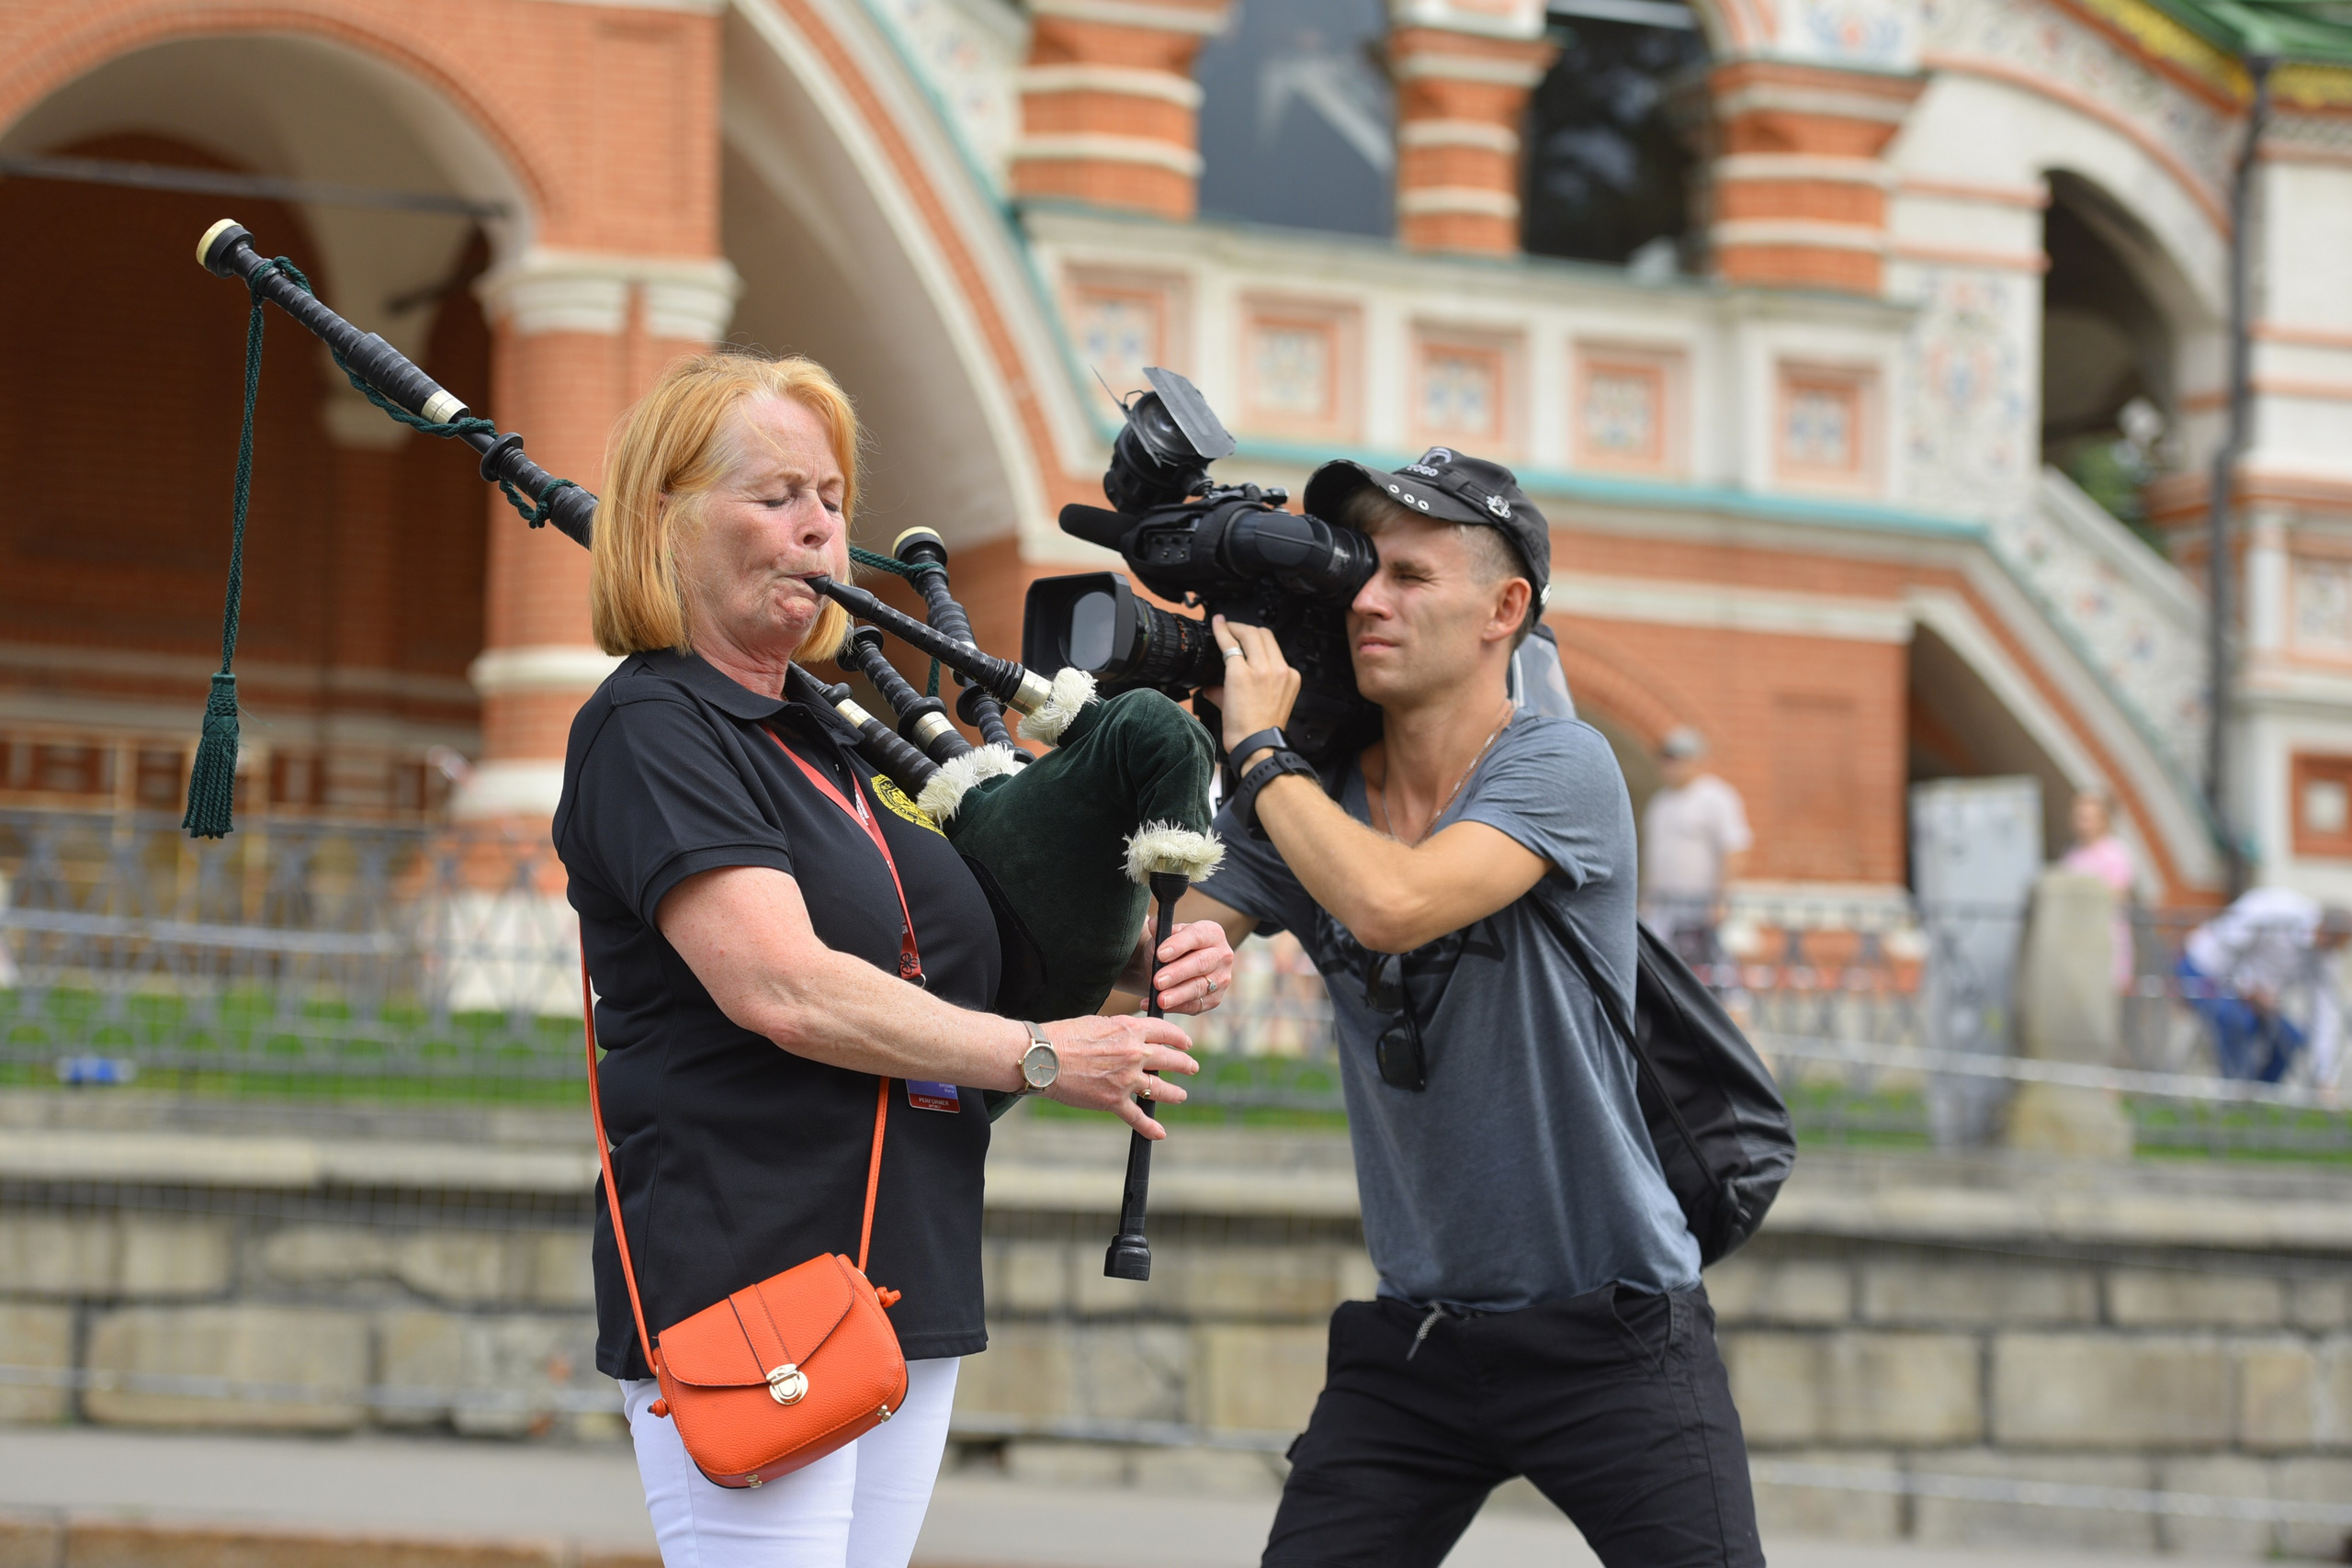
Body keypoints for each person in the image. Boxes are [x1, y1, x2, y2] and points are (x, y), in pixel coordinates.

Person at [554, 351, 1236, 1568]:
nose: (820, 524)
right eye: (776, 496)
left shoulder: (822, 735)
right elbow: (782, 982)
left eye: (832, 495)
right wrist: (1038, 1055)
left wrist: (1142, 972)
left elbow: (964, 951)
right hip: (751, 1270)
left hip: (902, 1263)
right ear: (667, 519)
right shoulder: (653, 723)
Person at [1179, 446, 1761, 1568]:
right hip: (1419, 1341)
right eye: (1362, 572)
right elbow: (1135, 968)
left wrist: (1256, 747)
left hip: (1617, 1329)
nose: (1365, 599)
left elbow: (1394, 903)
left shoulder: (1561, 766)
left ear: (1504, 609)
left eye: (1408, 576)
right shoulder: (1309, 797)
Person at [2178, 886, 2350, 1087]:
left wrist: (2326, 1076)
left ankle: (2257, 1100)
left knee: (2289, 1039)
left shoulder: (2326, 955)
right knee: (2237, 1021)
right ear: (2324, 930)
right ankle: (2233, 1094)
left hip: (2253, 996)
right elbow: (2224, 947)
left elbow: (2325, 1013)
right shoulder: (2277, 912)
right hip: (2204, 971)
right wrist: (2248, 987)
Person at [1638, 727, 1751, 973]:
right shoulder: (1660, 803)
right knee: (1662, 974)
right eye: (1667, 758)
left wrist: (1720, 899)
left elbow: (1735, 849)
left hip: (1701, 908)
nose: (1671, 765)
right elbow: (1653, 857)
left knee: (1716, 977)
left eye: (1677, 758)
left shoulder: (1716, 797)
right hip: (1663, 908)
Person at [2057, 786, 2136, 995]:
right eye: (2079, 816)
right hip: (2077, 944)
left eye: (2088, 817)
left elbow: (2118, 897)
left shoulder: (2115, 853)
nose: (2082, 823)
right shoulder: (2072, 853)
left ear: (2103, 819)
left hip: (2104, 945)